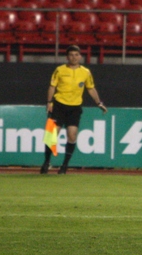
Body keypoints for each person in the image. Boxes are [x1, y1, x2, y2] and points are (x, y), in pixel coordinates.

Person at [40, 45, 107, 175]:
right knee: (51, 135)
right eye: (71, 55)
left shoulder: (85, 72)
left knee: (72, 135)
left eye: (76, 55)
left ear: (80, 56)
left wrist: (99, 103)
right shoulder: (59, 70)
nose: (74, 57)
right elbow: (52, 86)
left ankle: (65, 165)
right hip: (59, 105)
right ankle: (46, 162)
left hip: (75, 107)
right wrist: (49, 102)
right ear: (67, 57)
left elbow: (91, 88)